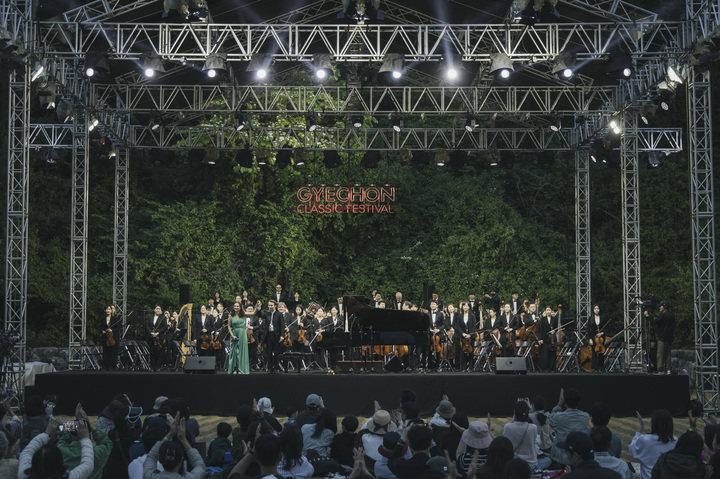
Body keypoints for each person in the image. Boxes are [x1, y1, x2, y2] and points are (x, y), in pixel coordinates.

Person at [19, 418, 94, 479]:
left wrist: (46, 433)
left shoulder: (24, 475)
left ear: (34, 461)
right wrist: (85, 438)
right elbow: (88, 465)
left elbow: (27, 452)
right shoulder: (69, 477)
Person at [57, 404, 112, 479]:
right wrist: (90, 425)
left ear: (70, 434)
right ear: (88, 433)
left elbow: (63, 440)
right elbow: (107, 443)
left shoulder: (61, 451)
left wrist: (72, 426)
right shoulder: (97, 453)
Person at [143, 415, 205, 479]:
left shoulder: (149, 476)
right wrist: (183, 439)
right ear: (181, 460)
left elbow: (151, 456)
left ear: (159, 459)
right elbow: (200, 465)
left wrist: (169, 434)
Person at [548, 388, 590, 469]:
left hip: (559, 457)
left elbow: (550, 420)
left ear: (565, 402)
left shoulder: (559, 416)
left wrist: (559, 404)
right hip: (577, 458)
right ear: (579, 402)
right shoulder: (585, 417)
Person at [629, 409, 677, 479]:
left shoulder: (645, 440)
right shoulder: (675, 441)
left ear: (654, 423)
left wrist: (640, 428)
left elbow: (632, 448)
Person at [503, 401, 537, 469]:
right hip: (530, 464)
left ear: (515, 413)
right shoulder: (533, 428)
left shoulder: (507, 427)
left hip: (512, 464)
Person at [644, 302, 675, 374]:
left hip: (662, 337)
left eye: (660, 306)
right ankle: (668, 369)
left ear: (664, 307)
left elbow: (656, 321)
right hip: (670, 337)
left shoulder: (663, 315)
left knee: (660, 354)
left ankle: (660, 369)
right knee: (668, 354)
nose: (659, 308)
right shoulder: (671, 315)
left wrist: (647, 316)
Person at [528, 396, 552, 469]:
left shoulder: (530, 416)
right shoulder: (548, 415)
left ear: (534, 406)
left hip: (538, 449)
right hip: (548, 447)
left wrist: (529, 410)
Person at [227, 302, 250, 374]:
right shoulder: (231, 315)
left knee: (241, 352)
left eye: (237, 306)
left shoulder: (243, 315)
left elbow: (253, 313)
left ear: (240, 307)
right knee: (234, 352)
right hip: (234, 333)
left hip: (242, 334)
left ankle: (241, 369)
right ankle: (234, 369)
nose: (236, 307)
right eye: (235, 306)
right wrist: (232, 335)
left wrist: (257, 306)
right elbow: (229, 326)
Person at [588, 305, 609, 371]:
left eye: (597, 308)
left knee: (601, 352)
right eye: (595, 308)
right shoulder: (590, 318)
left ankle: (601, 367)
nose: (596, 310)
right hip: (593, 337)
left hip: (601, 337)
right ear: (593, 310)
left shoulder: (602, 318)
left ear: (599, 310)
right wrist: (590, 338)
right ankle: (594, 368)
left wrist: (602, 333)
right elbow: (588, 329)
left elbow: (607, 327)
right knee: (594, 352)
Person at [146, 305, 167, 371]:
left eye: (159, 309)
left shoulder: (163, 318)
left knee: (159, 352)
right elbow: (147, 326)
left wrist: (158, 333)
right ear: (154, 310)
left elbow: (165, 327)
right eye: (157, 308)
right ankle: (152, 366)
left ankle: (158, 366)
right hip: (152, 337)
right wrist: (151, 332)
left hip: (159, 337)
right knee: (152, 352)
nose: (158, 310)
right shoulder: (150, 317)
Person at [100, 305, 118, 370]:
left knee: (112, 351)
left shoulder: (114, 319)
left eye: (109, 309)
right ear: (105, 310)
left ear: (111, 311)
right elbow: (101, 327)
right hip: (105, 337)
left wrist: (112, 330)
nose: (108, 310)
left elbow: (118, 328)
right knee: (105, 351)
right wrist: (102, 331)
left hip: (112, 337)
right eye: (107, 309)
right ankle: (105, 366)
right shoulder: (103, 318)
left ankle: (112, 366)